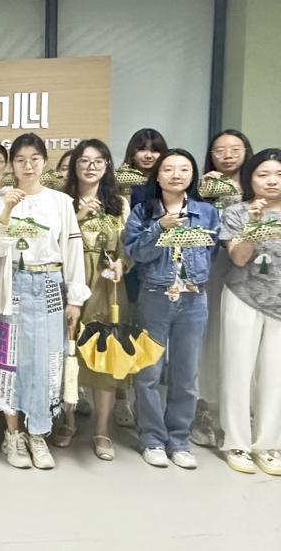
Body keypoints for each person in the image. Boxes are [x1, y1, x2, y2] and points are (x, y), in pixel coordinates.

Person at [0, 133, 87, 471]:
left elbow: (72, 250)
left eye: (34, 159)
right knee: (11, 359)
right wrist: (8, 209)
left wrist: (75, 298)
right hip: (12, 283)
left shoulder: (61, 201)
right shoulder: (0, 199)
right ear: (12, 165)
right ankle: (13, 434)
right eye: (20, 160)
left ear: (44, 162)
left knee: (45, 359)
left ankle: (38, 433)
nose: (27, 166)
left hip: (49, 283)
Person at [218, 148, 281, 476]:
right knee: (237, 372)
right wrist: (253, 222)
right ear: (251, 178)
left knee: (277, 376)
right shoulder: (236, 212)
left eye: (280, 174)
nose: (271, 181)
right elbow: (239, 258)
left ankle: (268, 445)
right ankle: (236, 442)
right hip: (243, 297)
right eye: (263, 175)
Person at [124, 148, 219, 470]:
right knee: (148, 373)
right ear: (158, 175)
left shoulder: (206, 212)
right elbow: (136, 253)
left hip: (193, 299)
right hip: (155, 296)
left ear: (192, 175)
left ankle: (179, 440)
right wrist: (159, 227)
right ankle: (152, 438)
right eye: (168, 169)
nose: (176, 175)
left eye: (183, 169)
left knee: (186, 374)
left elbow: (211, 252)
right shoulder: (143, 211)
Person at [56, 139, 129, 461]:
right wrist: (79, 215)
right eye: (84, 160)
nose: (91, 166)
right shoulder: (61, 201)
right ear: (74, 165)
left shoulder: (119, 204)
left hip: (107, 289)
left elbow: (127, 246)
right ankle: (67, 421)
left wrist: (122, 264)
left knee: (104, 358)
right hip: (71, 284)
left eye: (99, 160)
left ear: (107, 166)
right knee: (68, 355)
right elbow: (53, 243)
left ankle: (101, 431)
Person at [192, 129, 255, 448]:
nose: (227, 155)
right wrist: (202, 194)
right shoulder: (203, 188)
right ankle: (203, 407)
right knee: (207, 337)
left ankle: (240, 414)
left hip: (249, 273)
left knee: (243, 342)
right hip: (210, 269)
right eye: (219, 150)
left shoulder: (258, 188)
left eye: (234, 149)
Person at [116, 127, 168, 425]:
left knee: (147, 338)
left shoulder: (166, 185)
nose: (148, 155)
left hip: (157, 269)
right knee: (124, 331)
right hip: (126, 268)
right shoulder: (121, 184)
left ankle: (144, 400)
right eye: (142, 149)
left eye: (154, 149)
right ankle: (121, 397)